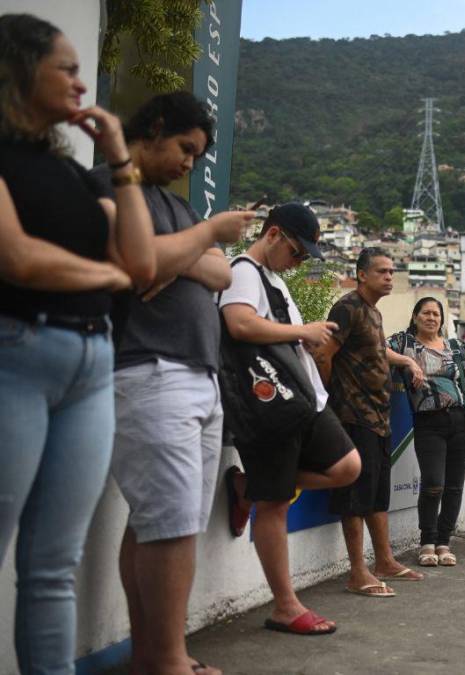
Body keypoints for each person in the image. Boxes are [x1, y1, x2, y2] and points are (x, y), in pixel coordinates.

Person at [0, 14, 157, 674]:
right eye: (64, 66)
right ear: (17, 70)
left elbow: (142, 262)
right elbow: (20, 259)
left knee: (53, 566)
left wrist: (120, 157)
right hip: (16, 353)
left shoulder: (69, 170)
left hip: (92, 364)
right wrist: (110, 274)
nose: (79, 78)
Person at [91, 92, 254, 674]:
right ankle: (167, 661)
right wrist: (202, 235)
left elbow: (218, 270)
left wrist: (175, 253)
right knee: (172, 523)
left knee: (156, 520)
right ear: (154, 127)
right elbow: (139, 262)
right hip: (148, 367)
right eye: (185, 149)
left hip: (195, 374)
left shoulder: (173, 208)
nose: (190, 163)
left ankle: (152, 657)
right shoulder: (109, 185)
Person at [220, 203, 362, 634]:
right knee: (276, 503)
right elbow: (239, 324)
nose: (298, 262)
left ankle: (250, 486)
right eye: (297, 252)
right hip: (270, 403)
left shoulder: (275, 280)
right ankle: (285, 605)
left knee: (347, 467)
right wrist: (304, 331)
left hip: (301, 399)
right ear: (274, 234)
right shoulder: (243, 271)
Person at [315, 248, 425, 597]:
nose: (390, 277)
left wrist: (407, 362)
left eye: (392, 271)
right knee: (355, 496)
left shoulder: (373, 313)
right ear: (362, 274)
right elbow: (323, 354)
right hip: (353, 416)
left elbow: (378, 351)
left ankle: (384, 560)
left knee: (378, 495)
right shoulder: (347, 308)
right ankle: (357, 572)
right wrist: (334, 394)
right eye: (382, 271)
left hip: (379, 417)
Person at [387, 297, 465, 566]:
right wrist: (408, 362)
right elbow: (376, 348)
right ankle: (427, 542)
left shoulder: (456, 346)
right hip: (428, 422)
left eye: (436, 314)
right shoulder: (404, 342)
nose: (431, 318)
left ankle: (444, 543)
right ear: (415, 317)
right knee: (432, 483)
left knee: (453, 486)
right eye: (425, 313)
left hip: (461, 421)